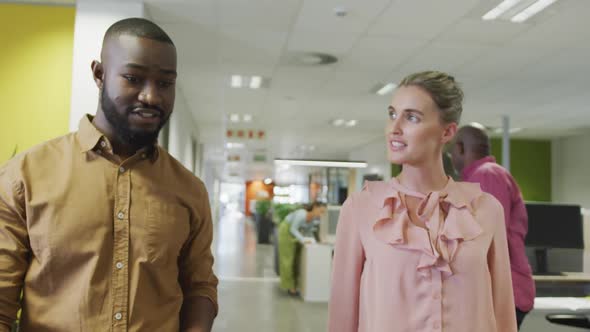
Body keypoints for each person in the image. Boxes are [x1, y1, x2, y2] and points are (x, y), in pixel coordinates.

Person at [0, 18, 217, 332]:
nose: (151, 97)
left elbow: (200, 286)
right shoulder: (24, 177)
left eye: (165, 83)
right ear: (99, 74)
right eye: (133, 78)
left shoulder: (189, 189)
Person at [328, 71, 517, 332]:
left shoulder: (486, 210)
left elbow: (503, 311)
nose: (394, 129)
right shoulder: (361, 208)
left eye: (412, 117)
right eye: (392, 114)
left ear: (447, 132)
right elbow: (342, 315)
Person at [450, 124, 535, 329]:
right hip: (498, 289)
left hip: (504, 290)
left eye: (451, 151)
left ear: (461, 148)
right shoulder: (479, 177)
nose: (450, 157)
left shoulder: (486, 175)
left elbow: (486, 241)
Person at [278, 202, 327, 295]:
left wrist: (315, 242)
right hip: (286, 231)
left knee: (297, 259)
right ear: (314, 207)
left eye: (323, 213)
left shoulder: (312, 220)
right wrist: (303, 239)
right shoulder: (302, 214)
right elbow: (292, 229)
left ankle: (295, 285)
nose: (321, 215)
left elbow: (309, 233)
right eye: (320, 211)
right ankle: (290, 287)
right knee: (288, 259)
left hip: (297, 234)